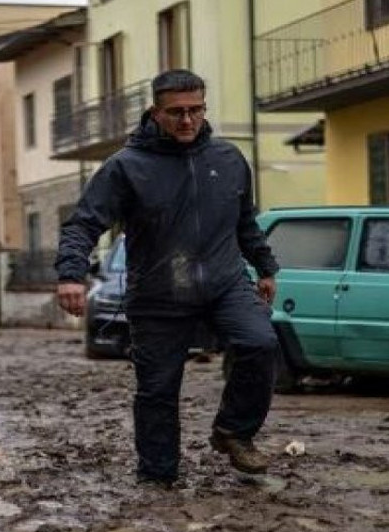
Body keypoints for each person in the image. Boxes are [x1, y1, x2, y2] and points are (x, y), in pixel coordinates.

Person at [56, 69, 280, 486]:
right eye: (176, 112)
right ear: (154, 112)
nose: (187, 120)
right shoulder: (126, 167)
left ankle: (233, 432)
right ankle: (157, 479)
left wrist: (265, 266)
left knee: (260, 343)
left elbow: (244, 221)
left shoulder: (228, 159)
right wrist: (71, 275)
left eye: (196, 110)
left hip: (224, 282)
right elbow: (83, 224)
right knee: (158, 389)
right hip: (158, 292)